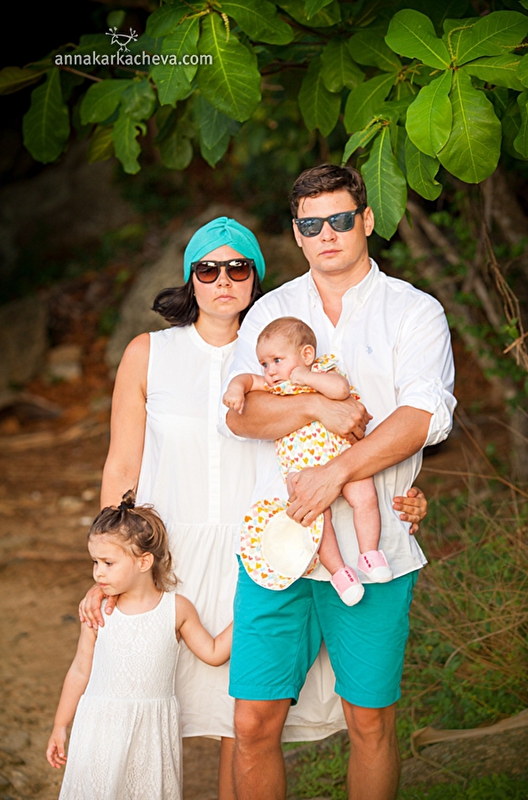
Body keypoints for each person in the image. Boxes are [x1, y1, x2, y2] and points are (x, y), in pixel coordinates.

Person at [78, 214, 428, 799]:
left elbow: (355, 433)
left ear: (256, 277)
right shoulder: (149, 352)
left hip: (262, 553)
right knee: (133, 700)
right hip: (162, 556)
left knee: (238, 723)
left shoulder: (276, 358)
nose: (223, 279)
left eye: (238, 267)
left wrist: (408, 495)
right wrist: (110, 562)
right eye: (207, 268)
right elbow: (120, 466)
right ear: (189, 277)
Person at [220, 164, 456, 800]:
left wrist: (336, 473)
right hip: (279, 544)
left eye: (341, 219)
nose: (327, 234)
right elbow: (241, 415)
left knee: (370, 722)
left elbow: (421, 417)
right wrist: (317, 408)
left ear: (367, 220)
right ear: (296, 233)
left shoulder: (414, 311)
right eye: (311, 224)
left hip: (376, 547)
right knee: (252, 722)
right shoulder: (272, 311)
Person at [47, 490, 232, 800]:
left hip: (150, 737)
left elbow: (213, 653)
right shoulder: (98, 611)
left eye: (108, 562)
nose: (98, 572)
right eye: (95, 562)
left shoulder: (176, 609)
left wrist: (248, 612)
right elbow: (80, 669)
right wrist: (60, 725)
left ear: (144, 561)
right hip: (100, 730)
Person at [223, 315, 392, 606]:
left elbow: (340, 390)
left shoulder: (322, 371)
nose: (270, 371)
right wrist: (235, 389)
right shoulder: (275, 385)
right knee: (316, 519)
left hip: (343, 456)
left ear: (307, 355)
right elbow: (247, 380)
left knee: (365, 496)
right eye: (264, 364)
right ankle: (339, 573)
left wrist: (305, 377)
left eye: (277, 360)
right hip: (303, 467)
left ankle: (369, 553)